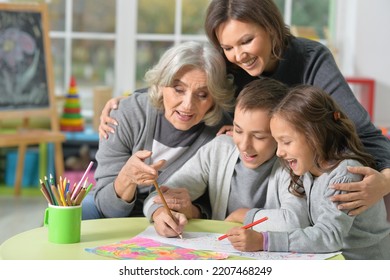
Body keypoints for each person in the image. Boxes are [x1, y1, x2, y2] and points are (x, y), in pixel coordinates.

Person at [98, 0, 390, 215]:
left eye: (247, 41)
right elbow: (182, 78)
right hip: (252, 176)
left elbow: (366, 135)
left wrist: (385, 181)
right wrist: (127, 101)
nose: (238, 55)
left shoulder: (311, 59)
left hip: (303, 173)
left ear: (272, 29)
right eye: (227, 47)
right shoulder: (226, 63)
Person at [225, 85, 390, 259]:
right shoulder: (308, 171)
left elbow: (328, 236)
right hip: (331, 259)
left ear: (315, 136)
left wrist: (264, 240)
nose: (279, 152)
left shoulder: (345, 175)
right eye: (277, 142)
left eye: (286, 142)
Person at [81, 41, 235, 219]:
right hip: (118, 221)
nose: (188, 105)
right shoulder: (127, 115)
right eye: (178, 89)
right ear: (161, 85)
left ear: (215, 97)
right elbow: (107, 209)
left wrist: (193, 211)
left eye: (202, 95)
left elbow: (217, 206)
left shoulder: (220, 132)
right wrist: (126, 178)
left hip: (178, 226)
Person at [143, 78, 311, 238]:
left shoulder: (292, 164)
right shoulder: (220, 149)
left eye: (259, 137)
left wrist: (243, 216)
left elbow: (295, 222)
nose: (244, 145)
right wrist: (160, 212)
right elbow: (158, 196)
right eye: (238, 130)